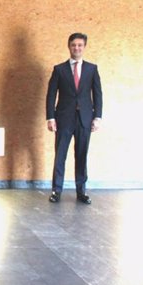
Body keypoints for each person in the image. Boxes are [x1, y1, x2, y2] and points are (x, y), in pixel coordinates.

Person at [46, 33, 102, 204]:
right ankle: (56, 190)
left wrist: (98, 116)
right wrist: (50, 117)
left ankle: (81, 191)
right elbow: (51, 95)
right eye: (73, 45)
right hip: (63, 118)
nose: (76, 48)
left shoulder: (92, 69)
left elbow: (98, 94)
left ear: (84, 47)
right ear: (68, 46)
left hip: (85, 118)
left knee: (82, 155)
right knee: (60, 155)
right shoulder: (59, 69)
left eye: (80, 45)